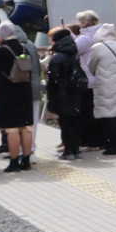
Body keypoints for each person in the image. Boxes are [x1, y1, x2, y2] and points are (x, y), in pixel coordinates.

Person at [78, 15, 116, 155]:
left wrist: (99, 72)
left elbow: (91, 66)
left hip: (104, 84)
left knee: (108, 115)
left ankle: (111, 146)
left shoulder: (97, 47)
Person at [0, 19, 40, 170]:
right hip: (25, 91)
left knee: (12, 129)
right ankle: (26, 159)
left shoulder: (0, 50)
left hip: (7, 93)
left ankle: (14, 161)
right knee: (26, 127)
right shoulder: (25, 48)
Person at [44, 20, 93, 159]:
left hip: (61, 95)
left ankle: (68, 151)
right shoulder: (74, 54)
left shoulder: (57, 57)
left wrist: (50, 93)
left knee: (65, 123)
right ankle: (75, 149)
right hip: (75, 93)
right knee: (75, 121)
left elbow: (53, 79)